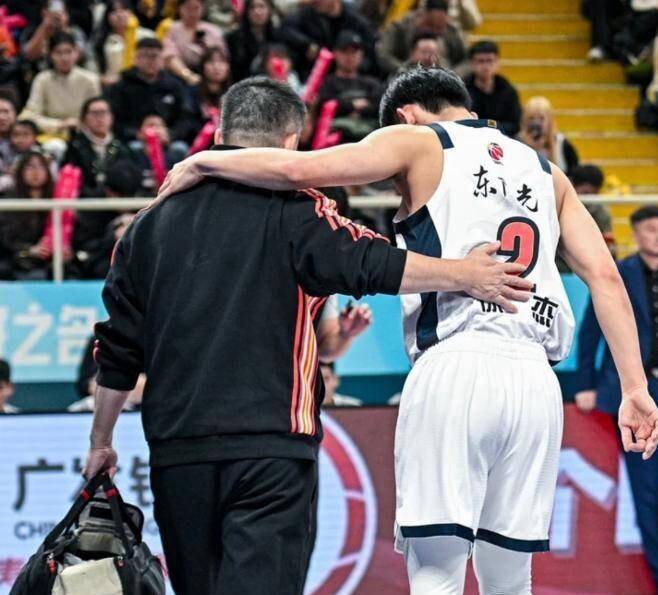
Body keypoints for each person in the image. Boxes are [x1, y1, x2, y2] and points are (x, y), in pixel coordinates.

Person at [159, 66, 658, 595]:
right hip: (536, 381)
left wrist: (202, 160)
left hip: (456, 364)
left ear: (406, 114)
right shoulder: (547, 171)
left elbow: (297, 169)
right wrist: (634, 388)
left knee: (436, 569)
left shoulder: (419, 141)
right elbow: (606, 278)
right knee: (511, 577)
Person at [83, 76, 532, 595]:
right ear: (291, 142)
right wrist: (462, 274)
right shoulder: (300, 211)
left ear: (221, 133)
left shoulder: (147, 227)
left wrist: (101, 441)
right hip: (271, 446)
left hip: (177, 451)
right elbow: (376, 263)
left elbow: (116, 348)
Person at [575, 205, 658, 589]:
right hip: (636, 390)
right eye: (649, 229)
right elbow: (590, 330)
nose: (656, 236)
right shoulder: (617, 273)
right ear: (635, 234)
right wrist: (585, 383)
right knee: (647, 492)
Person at [107, 37, 192, 144]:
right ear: (136, 58)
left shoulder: (174, 86)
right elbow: (114, 120)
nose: (150, 60)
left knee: (180, 148)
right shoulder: (122, 86)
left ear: (162, 59)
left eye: (154, 56)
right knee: (134, 147)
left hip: (168, 139)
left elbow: (185, 118)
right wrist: (136, 134)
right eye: (145, 56)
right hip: (134, 139)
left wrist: (170, 134)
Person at [19, 32, 101, 142]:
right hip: (51, 136)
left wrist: (79, 124)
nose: (64, 58)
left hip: (84, 134)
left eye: (68, 52)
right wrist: (60, 124)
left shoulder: (90, 79)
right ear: (50, 55)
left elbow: (97, 113)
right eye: (58, 52)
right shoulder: (42, 79)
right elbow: (30, 116)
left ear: (76, 53)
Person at [279, 0, 379, 79]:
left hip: (350, 77)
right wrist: (307, 45)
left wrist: (353, 64)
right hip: (316, 74)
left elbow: (370, 53)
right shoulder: (309, 13)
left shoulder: (355, 20)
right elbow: (285, 30)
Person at [317, 30, 382, 142]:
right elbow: (324, 104)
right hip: (335, 141)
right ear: (335, 53)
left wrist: (346, 107)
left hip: (367, 139)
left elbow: (378, 106)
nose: (350, 56)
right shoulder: (327, 82)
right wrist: (353, 105)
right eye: (344, 51)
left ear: (361, 54)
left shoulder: (371, 83)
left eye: (354, 52)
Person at [62, 97, 132, 198]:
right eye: (95, 113)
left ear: (111, 117)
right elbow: (71, 179)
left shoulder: (121, 146)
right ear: (84, 118)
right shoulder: (75, 146)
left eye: (103, 112)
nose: (100, 118)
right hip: (85, 202)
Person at [0, 151, 55, 280]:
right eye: (30, 167)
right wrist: (29, 249)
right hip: (15, 257)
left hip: (50, 256)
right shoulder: (8, 202)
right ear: (21, 171)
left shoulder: (57, 199)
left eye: (41, 166)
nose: (36, 172)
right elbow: (6, 238)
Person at [377, 0, 466, 76]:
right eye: (431, 25)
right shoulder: (398, 28)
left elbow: (467, 60)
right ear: (421, 15)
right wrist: (405, 71)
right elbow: (383, 55)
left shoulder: (452, 31)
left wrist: (451, 75)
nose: (435, 31)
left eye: (439, 27)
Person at [464, 40, 522, 137]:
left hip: (504, 138)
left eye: (490, 61)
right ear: (472, 64)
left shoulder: (508, 90)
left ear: (497, 63)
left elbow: (515, 124)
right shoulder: (462, 91)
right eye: (481, 61)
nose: (485, 66)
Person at [162, 0, 227, 86]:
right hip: (180, 77)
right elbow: (170, 57)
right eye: (188, 8)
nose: (192, 13)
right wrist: (187, 75)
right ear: (179, 9)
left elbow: (221, 57)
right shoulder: (173, 29)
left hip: (210, 77)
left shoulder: (213, 31)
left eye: (196, 8)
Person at [94, 0, 156, 86]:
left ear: (131, 13)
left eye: (124, 9)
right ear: (107, 17)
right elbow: (94, 71)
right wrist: (104, 80)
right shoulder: (102, 41)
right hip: (113, 86)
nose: (119, 15)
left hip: (145, 84)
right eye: (114, 11)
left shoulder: (148, 35)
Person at [518, 95, 579, 176]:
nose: (536, 123)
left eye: (541, 118)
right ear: (524, 120)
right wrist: (529, 148)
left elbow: (574, 175)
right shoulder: (516, 143)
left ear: (550, 120)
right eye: (531, 118)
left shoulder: (563, 145)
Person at [131, 114, 188, 196]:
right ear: (139, 133)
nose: (156, 130)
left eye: (160, 126)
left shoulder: (177, 155)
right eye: (151, 125)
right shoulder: (133, 155)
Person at [225, 0, 281, 82]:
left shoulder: (278, 36)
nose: (257, 12)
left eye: (262, 7)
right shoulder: (234, 38)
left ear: (270, 10)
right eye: (252, 8)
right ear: (246, 12)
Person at [188, 47, 231, 135]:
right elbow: (188, 122)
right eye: (211, 62)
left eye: (222, 62)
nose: (216, 67)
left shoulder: (234, 94)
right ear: (203, 66)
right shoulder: (192, 92)